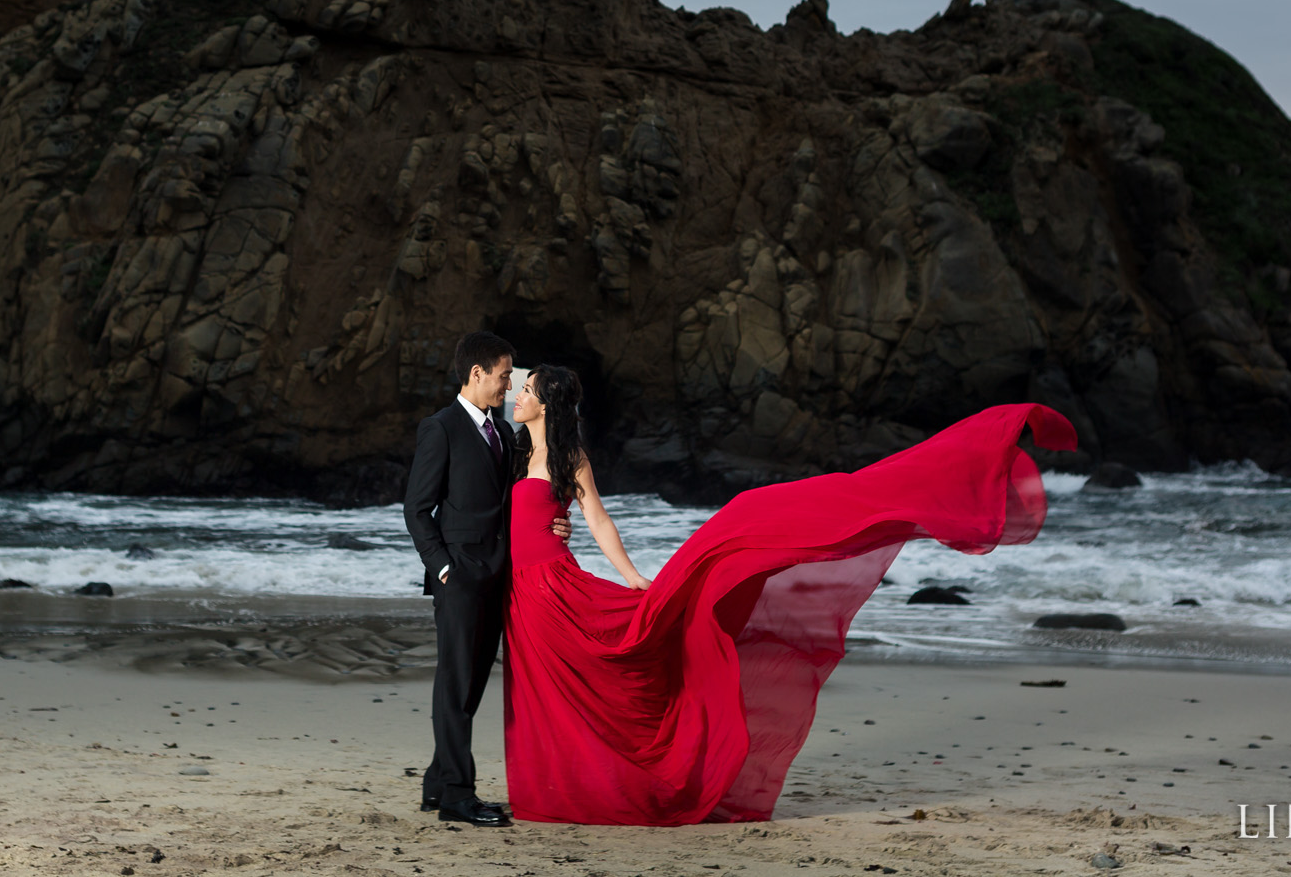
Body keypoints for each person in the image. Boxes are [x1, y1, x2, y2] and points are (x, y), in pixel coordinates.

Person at [500, 364, 1075, 826]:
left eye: (525, 389)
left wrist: (631, 577)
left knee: (589, 678)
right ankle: (556, 789)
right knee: (545, 691)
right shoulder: (512, 451)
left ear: (546, 402)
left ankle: (591, 791)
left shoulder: (569, 459)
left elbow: (597, 520)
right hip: (521, 589)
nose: (516, 396)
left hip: (552, 586)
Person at [401, 330, 566, 826]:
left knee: (470, 686)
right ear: (477, 374)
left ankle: (437, 781)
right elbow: (416, 508)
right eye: (503, 376)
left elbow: (520, 497)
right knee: (455, 686)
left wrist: (555, 520)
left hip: (500, 578)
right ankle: (456, 795)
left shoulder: (503, 432)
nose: (509, 386)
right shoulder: (441, 428)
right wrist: (444, 568)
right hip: (460, 579)